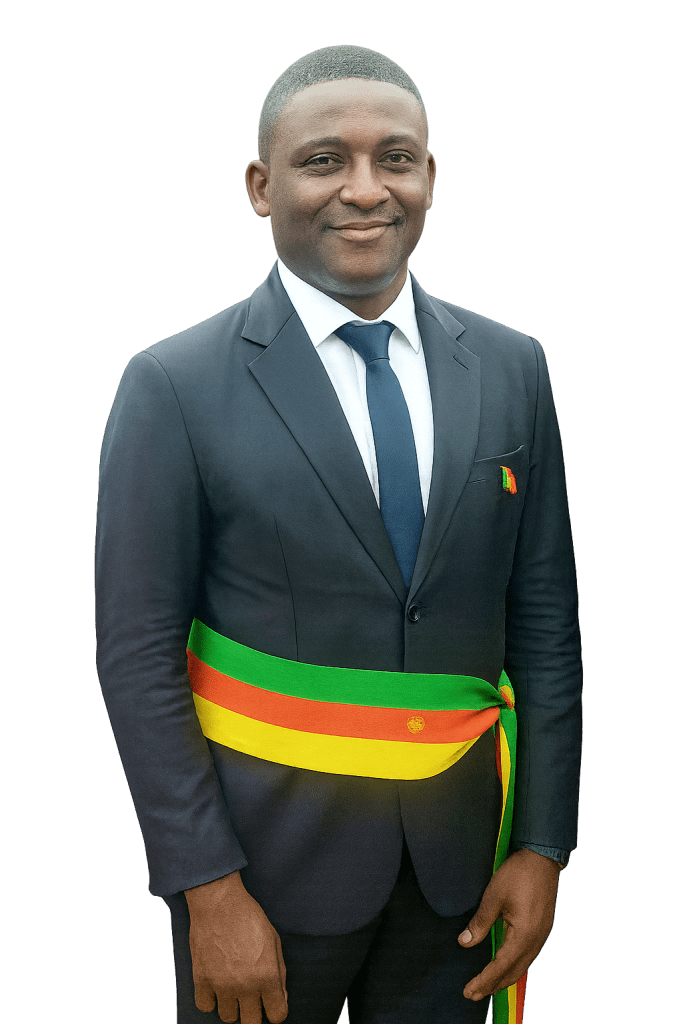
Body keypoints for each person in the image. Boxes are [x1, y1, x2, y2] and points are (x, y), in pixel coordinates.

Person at [95, 44, 582, 1024]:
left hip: (459, 879)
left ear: (429, 176)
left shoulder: (511, 368)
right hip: (260, 881)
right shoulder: (173, 385)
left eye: (393, 158)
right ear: (260, 185)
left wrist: (541, 846)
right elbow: (136, 654)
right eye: (324, 161)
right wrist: (206, 888)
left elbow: (545, 625)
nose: (365, 189)